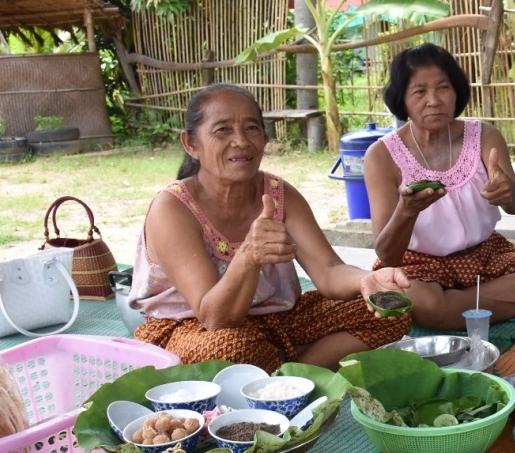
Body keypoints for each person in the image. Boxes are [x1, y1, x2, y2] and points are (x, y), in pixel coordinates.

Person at [130, 83, 412, 372]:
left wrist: (365, 280)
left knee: (389, 311)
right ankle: (283, 370)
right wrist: (248, 257)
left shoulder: (278, 192)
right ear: (191, 144)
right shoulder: (173, 208)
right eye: (223, 130)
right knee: (231, 350)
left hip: (278, 319)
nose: (241, 141)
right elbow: (214, 317)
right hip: (192, 329)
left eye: (252, 128)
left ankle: (286, 375)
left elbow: (328, 271)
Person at [365, 43, 515, 330]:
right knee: (416, 300)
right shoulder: (381, 156)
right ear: (401, 98)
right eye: (419, 91)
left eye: (443, 88)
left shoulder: (484, 136)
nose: (434, 100)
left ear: (457, 92)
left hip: (487, 258)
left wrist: (508, 191)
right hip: (419, 268)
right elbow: (387, 254)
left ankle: (457, 308)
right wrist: (407, 210)